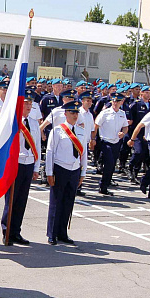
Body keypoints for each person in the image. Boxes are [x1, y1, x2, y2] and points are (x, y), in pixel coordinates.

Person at [2, 89, 41, 246]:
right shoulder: (13, 121)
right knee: (11, 200)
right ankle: (7, 231)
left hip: (28, 163)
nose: (29, 106)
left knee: (22, 200)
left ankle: (16, 231)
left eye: (31, 103)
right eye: (26, 103)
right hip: (15, 163)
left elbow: (37, 144)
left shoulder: (33, 122)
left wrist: (37, 167)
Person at [46, 101, 88, 245]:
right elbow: (50, 152)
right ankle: (52, 233)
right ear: (65, 114)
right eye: (72, 112)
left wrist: (83, 172)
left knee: (69, 202)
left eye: (76, 113)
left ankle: (62, 232)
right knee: (56, 202)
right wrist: (49, 173)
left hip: (74, 169)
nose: (75, 115)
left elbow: (84, 153)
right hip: (60, 168)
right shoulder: (57, 131)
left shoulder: (82, 131)